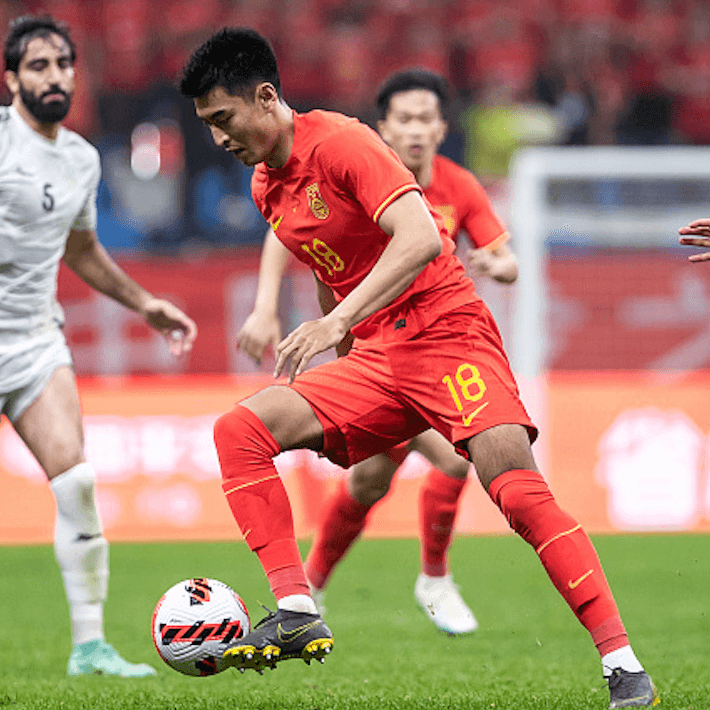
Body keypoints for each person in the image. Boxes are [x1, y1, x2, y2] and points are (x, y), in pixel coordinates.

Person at [180, 28, 658, 708]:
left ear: (264, 97)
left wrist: (338, 322)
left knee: (517, 493)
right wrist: (344, 354)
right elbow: (326, 269)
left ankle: (623, 666)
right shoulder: (265, 184)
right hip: (375, 355)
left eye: (223, 118)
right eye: (207, 124)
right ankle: (296, 607)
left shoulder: (342, 142)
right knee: (240, 431)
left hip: (447, 332)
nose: (218, 138)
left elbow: (422, 236)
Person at [237, 68, 519, 636]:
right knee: (372, 482)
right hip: (371, 354)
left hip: (434, 350)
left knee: (444, 462)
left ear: (441, 128)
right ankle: (316, 587)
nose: (415, 130)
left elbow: (505, 258)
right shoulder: (357, 169)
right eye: (403, 119)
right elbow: (283, 231)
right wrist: (266, 308)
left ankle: (426, 578)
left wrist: (496, 265)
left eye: (425, 119)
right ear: (384, 128)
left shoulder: (459, 187)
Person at [2, 15, 197, 676]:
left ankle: (90, 646)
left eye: (63, 64)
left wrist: (144, 303)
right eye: (38, 66)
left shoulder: (81, 159)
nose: (54, 77)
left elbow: (81, 249)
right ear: (11, 79)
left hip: (34, 342)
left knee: (78, 482)